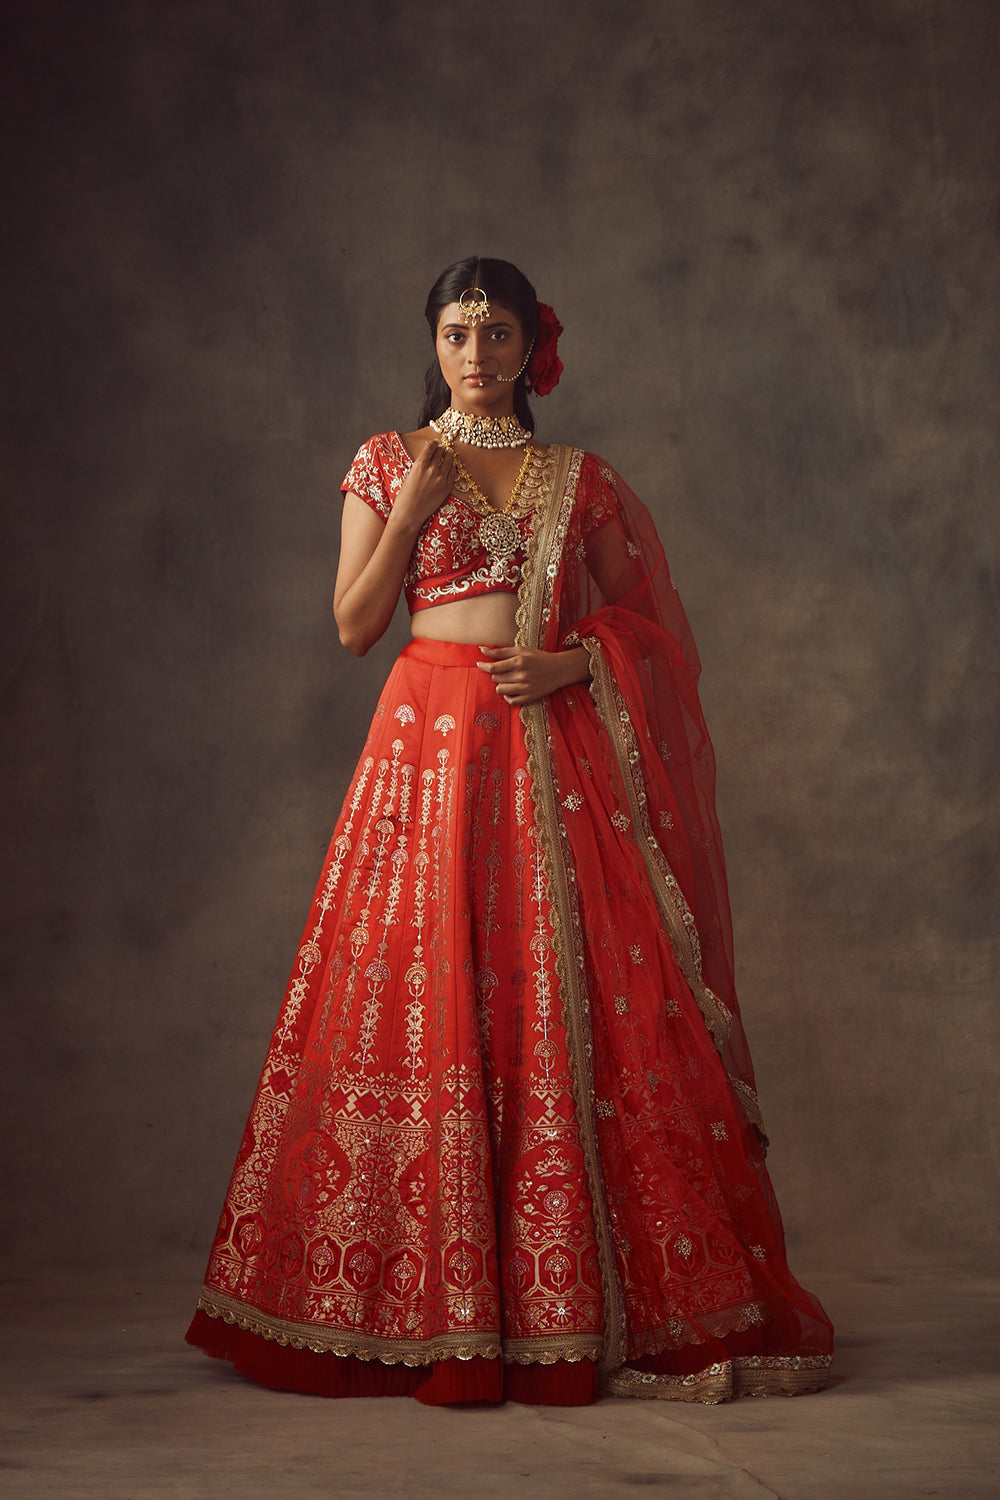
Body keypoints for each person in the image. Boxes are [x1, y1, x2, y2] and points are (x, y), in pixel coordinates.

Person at [185, 256, 833, 1405]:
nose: (475, 355)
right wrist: (414, 516)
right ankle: (415, 1306)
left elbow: (652, 628)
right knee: (414, 994)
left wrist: (579, 657)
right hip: (424, 749)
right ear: (429, 343)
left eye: (497, 334)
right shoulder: (387, 462)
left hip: (547, 757)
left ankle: (560, 1306)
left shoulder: (577, 480)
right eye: (454, 332)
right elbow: (352, 626)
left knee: (562, 1003)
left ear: (535, 347)